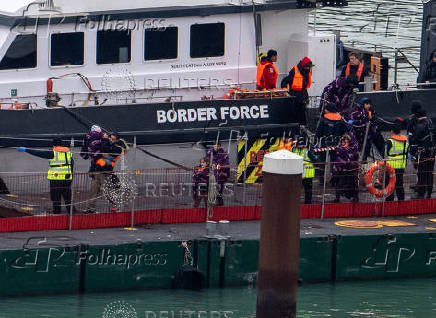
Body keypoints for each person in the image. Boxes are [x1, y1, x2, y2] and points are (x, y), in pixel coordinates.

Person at [18, 138, 75, 214]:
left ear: (54, 145)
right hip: (67, 178)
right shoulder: (68, 153)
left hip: (56, 179)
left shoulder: (53, 153)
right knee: (68, 197)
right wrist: (70, 178)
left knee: (56, 198)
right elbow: (72, 165)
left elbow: (38, 153)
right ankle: (72, 213)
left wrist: (26, 150)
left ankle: (57, 213)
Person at [86, 132, 128, 213]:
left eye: (113, 139)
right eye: (110, 138)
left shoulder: (118, 148)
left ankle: (115, 206)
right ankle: (91, 208)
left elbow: (105, 149)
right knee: (93, 191)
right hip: (97, 171)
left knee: (108, 191)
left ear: (117, 140)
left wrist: (105, 140)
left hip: (106, 172)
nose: (110, 140)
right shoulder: (108, 143)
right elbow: (102, 150)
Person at [408, 108, 435, 199]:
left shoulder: (420, 126)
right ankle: (429, 193)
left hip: (424, 153)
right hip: (432, 152)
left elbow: (415, 139)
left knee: (422, 173)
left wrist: (412, 151)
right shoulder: (431, 122)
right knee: (429, 173)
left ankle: (421, 194)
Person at [331, 133, 359, 203]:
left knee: (353, 184)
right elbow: (338, 157)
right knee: (339, 183)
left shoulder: (354, 147)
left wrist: (349, 160)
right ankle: (337, 198)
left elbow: (355, 156)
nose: (345, 142)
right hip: (341, 169)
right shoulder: (339, 148)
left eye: (346, 140)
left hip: (351, 169)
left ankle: (355, 198)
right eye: (344, 140)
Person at [385, 119, 408, 201]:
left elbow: (385, 154)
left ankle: (389, 202)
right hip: (401, 166)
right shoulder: (405, 141)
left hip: (391, 167)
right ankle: (401, 201)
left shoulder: (389, 142)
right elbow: (407, 153)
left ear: (392, 131)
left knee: (390, 184)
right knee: (399, 185)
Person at [291, 136, 318, 204]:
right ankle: (301, 203)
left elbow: (316, 160)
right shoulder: (296, 150)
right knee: (300, 190)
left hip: (306, 174)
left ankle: (306, 203)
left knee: (305, 190)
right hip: (299, 173)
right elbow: (316, 159)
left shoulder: (304, 151)